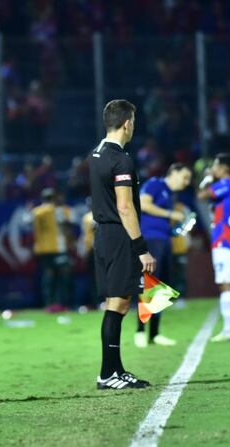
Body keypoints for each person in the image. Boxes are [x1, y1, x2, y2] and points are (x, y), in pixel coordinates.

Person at [89, 99, 155, 390]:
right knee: (117, 302)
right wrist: (142, 248)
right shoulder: (121, 159)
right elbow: (125, 208)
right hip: (118, 235)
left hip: (103, 233)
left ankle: (114, 370)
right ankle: (108, 373)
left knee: (119, 301)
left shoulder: (96, 154)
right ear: (127, 123)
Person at [133, 163, 192, 348]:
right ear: (173, 172)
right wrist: (170, 213)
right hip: (151, 239)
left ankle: (155, 333)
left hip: (164, 240)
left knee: (161, 288)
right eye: (184, 177)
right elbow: (143, 203)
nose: (186, 182)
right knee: (150, 284)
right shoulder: (156, 183)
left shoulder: (168, 192)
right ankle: (140, 332)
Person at [198, 154, 230, 342]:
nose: (214, 168)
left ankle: (229, 330)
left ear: (225, 168)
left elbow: (201, 195)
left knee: (227, 283)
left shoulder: (225, 183)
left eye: (216, 165)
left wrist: (208, 178)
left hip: (226, 239)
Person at [31, 188, 74, 312]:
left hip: (44, 249)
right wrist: (71, 243)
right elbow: (67, 228)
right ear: (54, 198)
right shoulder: (61, 210)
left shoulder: (37, 212)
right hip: (59, 248)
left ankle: (49, 304)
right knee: (63, 277)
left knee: (48, 277)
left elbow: (33, 231)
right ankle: (63, 304)